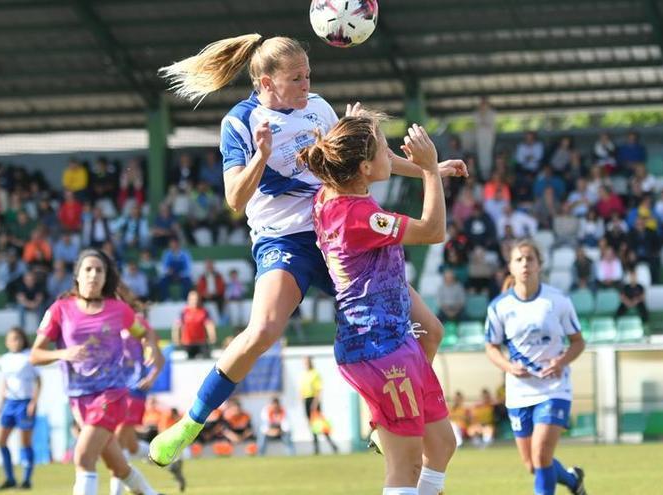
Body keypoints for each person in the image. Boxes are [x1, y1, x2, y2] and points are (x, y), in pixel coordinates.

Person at [149, 33, 465, 466]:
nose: (306, 85)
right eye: (296, 78)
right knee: (262, 330)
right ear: (265, 82)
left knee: (431, 329)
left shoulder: (317, 107)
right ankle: (191, 422)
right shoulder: (239, 123)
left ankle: (383, 422)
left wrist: (430, 169)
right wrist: (261, 155)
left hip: (336, 233)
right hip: (284, 241)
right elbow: (234, 199)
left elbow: (363, 156)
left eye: (308, 75)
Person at [309, 115, 456, 495]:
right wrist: (428, 172)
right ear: (363, 168)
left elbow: (370, 160)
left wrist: (352, 125)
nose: (391, 155)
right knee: (405, 465)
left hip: (395, 335)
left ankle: (384, 425)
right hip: (378, 348)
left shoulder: (331, 192)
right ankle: (384, 425)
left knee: (441, 445)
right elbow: (434, 231)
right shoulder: (360, 216)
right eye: (383, 149)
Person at [29, 249, 161, 495]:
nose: (93, 274)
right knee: (118, 467)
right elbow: (35, 355)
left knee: (82, 457)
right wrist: (62, 353)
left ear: (106, 276)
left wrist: (150, 345)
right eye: (88, 269)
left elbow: (143, 332)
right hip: (78, 398)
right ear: (77, 275)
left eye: (99, 270)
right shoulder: (59, 310)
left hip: (111, 395)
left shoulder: (118, 310)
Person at [485, 239, 587, 495]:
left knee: (541, 455)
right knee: (533, 464)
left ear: (540, 265)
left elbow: (578, 342)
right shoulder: (499, 307)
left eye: (530, 259)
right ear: (510, 266)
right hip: (519, 392)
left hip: (554, 388)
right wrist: (509, 367)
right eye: (519, 259)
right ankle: (573, 481)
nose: (525, 264)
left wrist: (561, 361)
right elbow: (491, 347)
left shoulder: (557, 301)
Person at [110, 312, 186, 495]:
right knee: (131, 446)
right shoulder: (108, 320)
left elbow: (158, 355)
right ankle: (172, 465)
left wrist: (151, 377)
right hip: (115, 389)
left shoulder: (137, 322)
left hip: (134, 389)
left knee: (118, 444)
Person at [0, 327, 41, 491]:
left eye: (18, 338)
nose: (15, 342)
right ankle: (10, 478)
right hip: (10, 404)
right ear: (7, 342)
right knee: (0, 441)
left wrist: (33, 402)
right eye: (12, 339)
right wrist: (0, 404)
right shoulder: (5, 359)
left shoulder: (29, 356)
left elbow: (38, 380)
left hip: (24, 403)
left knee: (24, 442)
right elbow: (5, 382)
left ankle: (27, 480)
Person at [299, 356, 338, 454]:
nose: (306, 364)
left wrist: (315, 403)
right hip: (306, 400)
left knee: (319, 425)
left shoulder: (315, 373)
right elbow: (302, 389)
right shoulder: (304, 374)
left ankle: (332, 445)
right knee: (312, 426)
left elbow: (318, 390)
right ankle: (316, 448)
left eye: (307, 362)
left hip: (313, 401)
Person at [171, 290, 218, 360]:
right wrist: (176, 339)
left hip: (201, 342)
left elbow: (209, 325)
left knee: (208, 360)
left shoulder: (204, 311)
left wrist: (212, 337)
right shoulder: (184, 312)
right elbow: (177, 326)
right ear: (188, 300)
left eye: (196, 299)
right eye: (192, 299)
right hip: (188, 343)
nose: (194, 301)